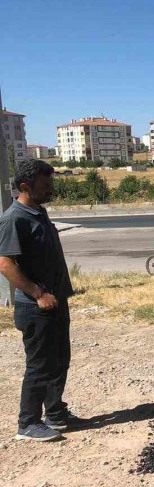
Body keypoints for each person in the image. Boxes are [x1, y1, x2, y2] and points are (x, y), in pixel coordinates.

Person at [0, 160, 79, 441]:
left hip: (56, 301)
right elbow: (5, 263)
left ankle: (55, 413)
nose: (50, 190)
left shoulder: (38, 211)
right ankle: (28, 423)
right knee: (40, 365)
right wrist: (38, 293)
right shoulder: (14, 218)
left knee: (60, 360)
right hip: (35, 307)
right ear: (25, 187)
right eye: (45, 186)